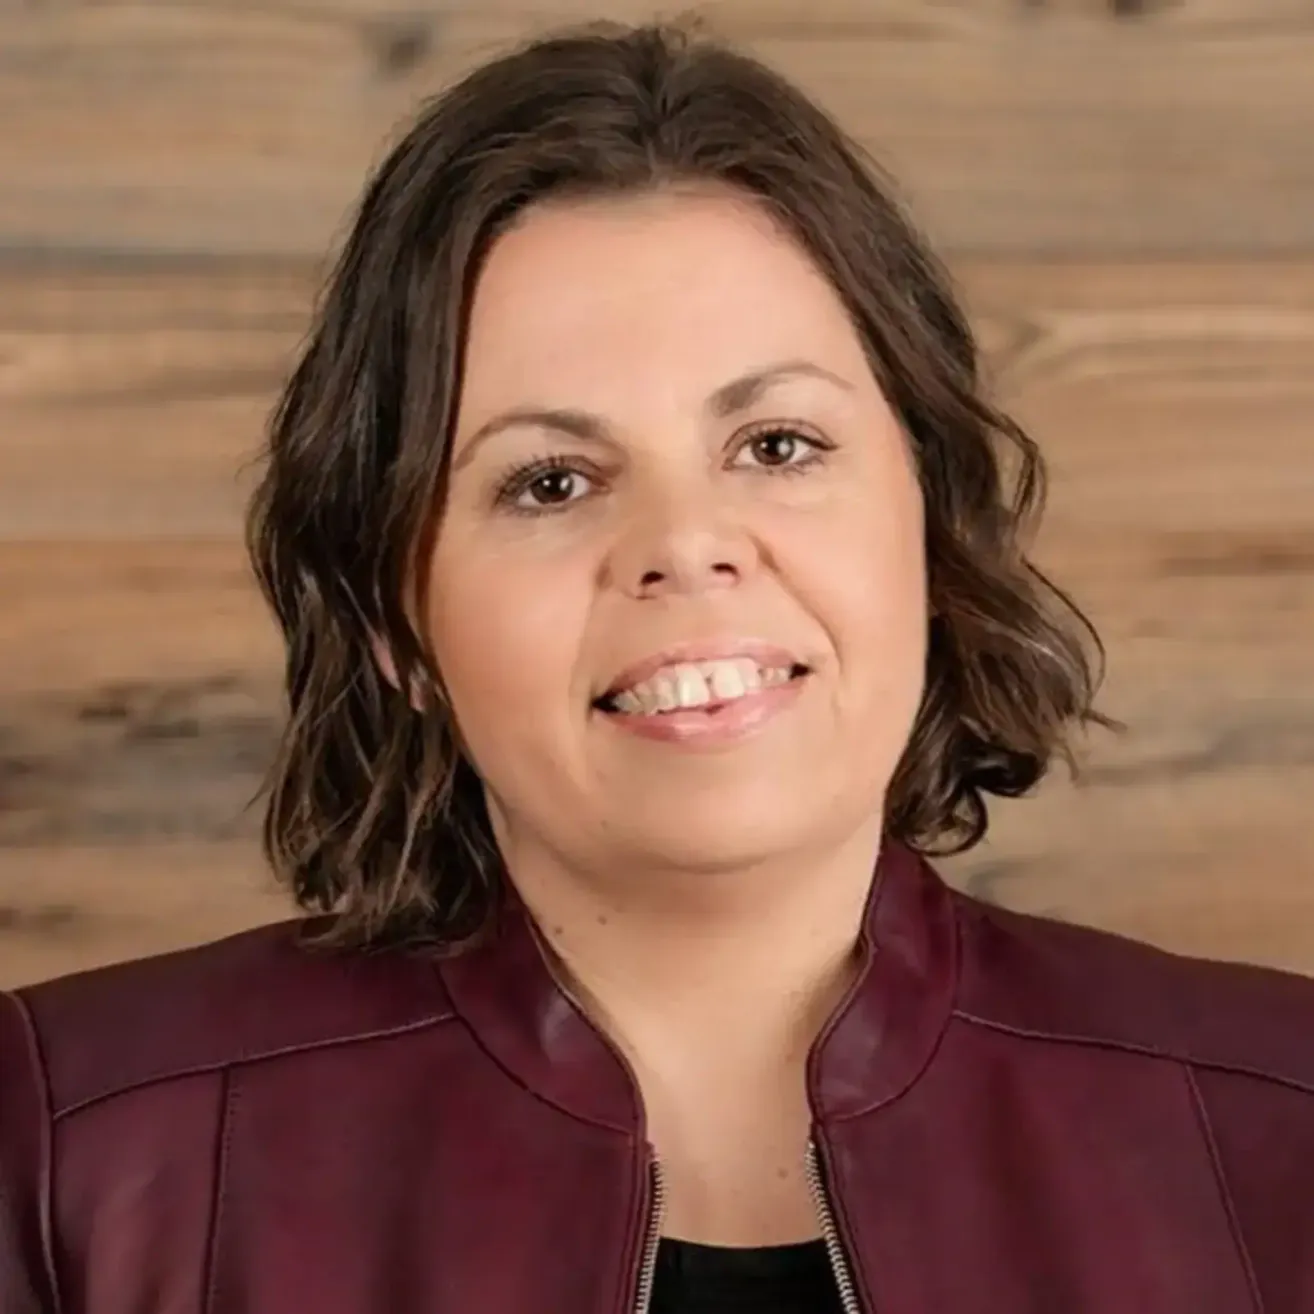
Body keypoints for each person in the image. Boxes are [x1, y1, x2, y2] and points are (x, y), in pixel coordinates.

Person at [2, 19, 1311, 1314]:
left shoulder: (1280, 1121)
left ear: (928, 512)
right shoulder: (63, 1151)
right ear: (397, 620)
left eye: (779, 444)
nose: (685, 546)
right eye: (550, 479)